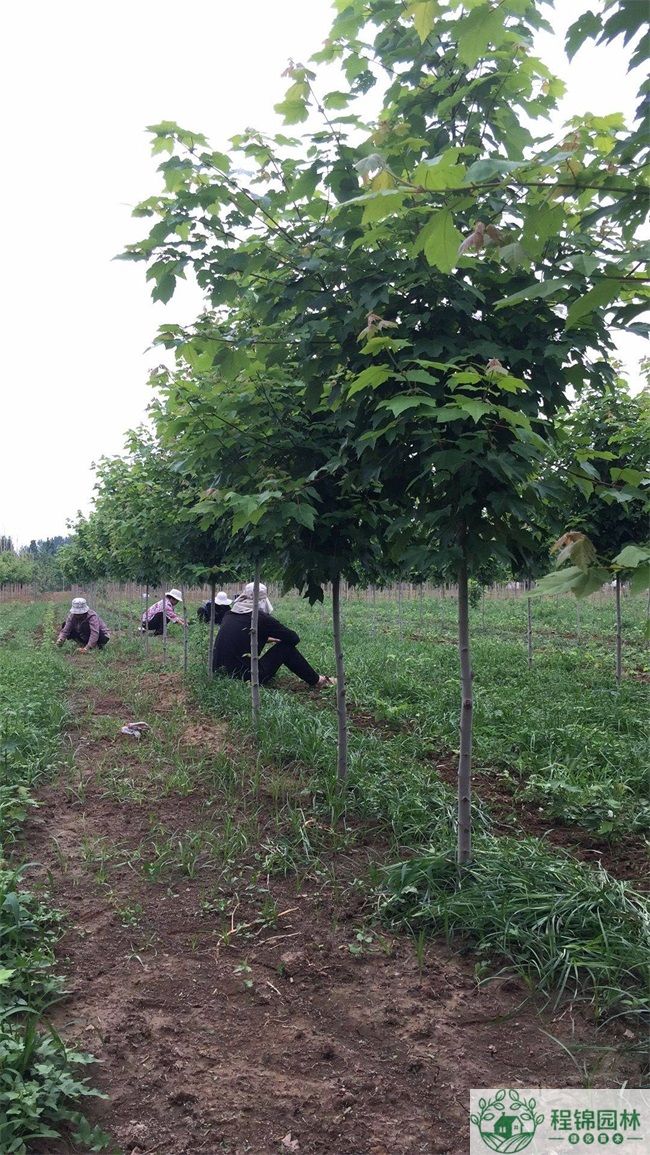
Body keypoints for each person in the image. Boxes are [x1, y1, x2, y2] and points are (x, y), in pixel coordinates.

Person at [213, 581, 334, 689]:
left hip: (222, 671)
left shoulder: (229, 614)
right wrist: (272, 635)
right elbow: (293, 638)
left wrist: (268, 638)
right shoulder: (260, 618)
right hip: (247, 676)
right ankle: (318, 681)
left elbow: (242, 637)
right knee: (286, 649)